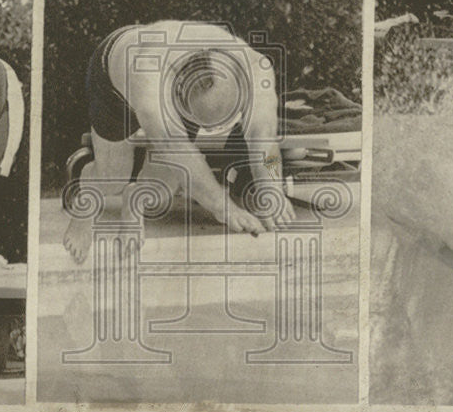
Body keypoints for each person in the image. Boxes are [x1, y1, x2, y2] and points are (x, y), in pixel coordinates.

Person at [63, 21, 295, 265]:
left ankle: (135, 201)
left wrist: (272, 187)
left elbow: (265, 143)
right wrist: (225, 208)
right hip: (114, 79)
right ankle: (84, 204)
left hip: (178, 91)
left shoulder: (256, 68)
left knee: (163, 189)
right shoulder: (148, 77)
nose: (208, 131)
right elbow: (176, 151)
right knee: (113, 177)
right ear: (177, 93)